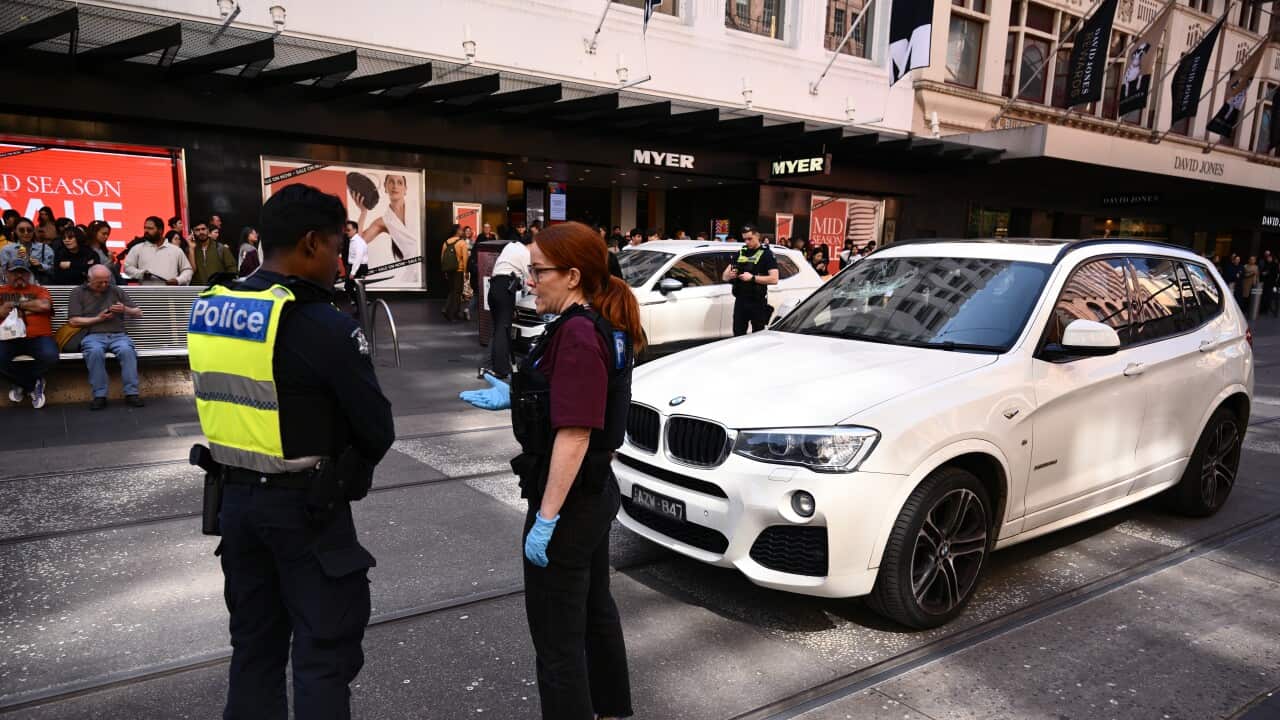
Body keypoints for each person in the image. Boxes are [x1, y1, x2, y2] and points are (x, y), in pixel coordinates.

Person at [188, 184, 394, 720]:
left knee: (254, 651)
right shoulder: (322, 323)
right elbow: (377, 428)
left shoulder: (212, 306)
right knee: (323, 658)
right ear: (309, 244)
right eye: (335, 248)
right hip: (307, 511)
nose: (338, 261)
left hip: (234, 505)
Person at [460, 221, 639, 720]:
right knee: (593, 611)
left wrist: (547, 518)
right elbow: (564, 398)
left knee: (557, 639)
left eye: (538, 271)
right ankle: (611, 710)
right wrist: (514, 397)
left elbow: (576, 433)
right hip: (590, 494)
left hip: (569, 502)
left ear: (574, 275)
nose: (530, 281)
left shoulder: (579, 333)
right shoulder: (588, 323)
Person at [66, 265, 144, 409]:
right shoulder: (78, 292)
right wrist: (98, 319)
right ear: (89, 279)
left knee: (127, 351)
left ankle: (132, 394)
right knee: (94, 352)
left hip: (118, 335)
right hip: (93, 335)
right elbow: (73, 321)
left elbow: (138, 312)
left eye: (106, 282)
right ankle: (99, 395)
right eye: (99, 282)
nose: (104, 285)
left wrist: (125, 309)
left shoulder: (115, 290)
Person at [0, 258, 54, 409]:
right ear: (6, 274)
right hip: (7, 337)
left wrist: (15, 305)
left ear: (29, 275)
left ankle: (19, 383)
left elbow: (44, 305)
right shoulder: (1, 291)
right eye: (15, 273)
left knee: (50, 355)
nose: (19, 276)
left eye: (23, 273)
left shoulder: (39, 290)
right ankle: (31, 384)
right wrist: (29, 307)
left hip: (38, 337)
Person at [483, 231, 531, 379]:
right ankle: (501, 369)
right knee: (504, 330)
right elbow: (529, 277)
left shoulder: (510, 246)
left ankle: (497, 364)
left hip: (494, 288)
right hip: (505, 289)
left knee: (498, 328)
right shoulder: (525, 253)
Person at [723, 224, 778, 336]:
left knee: (758, 336)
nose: (747, 242)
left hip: (757, 302)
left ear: (757, 236)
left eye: (750, 239)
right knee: (738, 334)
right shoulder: (741, 252)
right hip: (740, 301)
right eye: (744, 239)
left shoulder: (767, 254)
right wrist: (731, 275)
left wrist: (752, 278)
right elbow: (724, 276)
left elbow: (774, 279)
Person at [124, 216, 193, 285]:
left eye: (150, 228)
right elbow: (127, 267)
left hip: (169, 294)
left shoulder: (176, 250)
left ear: (160, 230)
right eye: (145, 228)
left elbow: (187, 270)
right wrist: (141, 274)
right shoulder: (137, 248)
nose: (146, 231)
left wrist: (178, 280)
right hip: (146, 294)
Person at [0, 218, 54, 285]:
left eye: (29, 230)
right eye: (21, 230)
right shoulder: (7, 250)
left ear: (33, 231)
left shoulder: (44, 248)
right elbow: (3, 273)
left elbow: (53, 271)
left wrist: (40, 265)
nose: (26, 233)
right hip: (15, 288)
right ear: (15, 231)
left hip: (39, 288)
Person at [191, 219, 237, 285]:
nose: (201, 232)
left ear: (208, 230)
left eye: (203, 229)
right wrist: (190, 249)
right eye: (197, 230)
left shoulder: (221, 248)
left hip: (218, 290)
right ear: (193, 232)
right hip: (197, 291)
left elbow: (232, 270)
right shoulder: (191, 250)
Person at [440, 225, 469, 322]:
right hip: (458, 270)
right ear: (457, 231)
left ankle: (449, 310)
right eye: (461, 229)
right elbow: (465, 258)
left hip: (449, 270)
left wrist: (444, 271)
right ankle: (451, 314)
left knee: (452, 291)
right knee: (457, 292)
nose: (462, 231)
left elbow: (442, 258)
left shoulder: (446, 242)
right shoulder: (462, 243)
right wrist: (466, 271)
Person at [343, 221, 368, 310]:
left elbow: (358, 258)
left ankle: (361, 305)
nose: (347, 232)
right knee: (350, 287)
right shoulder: (352, 241)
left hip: (359, 268)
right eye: (346, 230)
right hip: (354, 266)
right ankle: (360, 305)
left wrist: (353, 272)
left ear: (355, 230)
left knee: (350, 287)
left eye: (348, 230)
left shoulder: (358, 242)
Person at [1261, 250, 1278, 316]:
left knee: (1272, 297)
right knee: (1265, 296)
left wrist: (1268, 273)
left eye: (1270, 258)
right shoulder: (1266, 264)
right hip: (1266, 283)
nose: (1268, 259)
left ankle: (1274, 311)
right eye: (1268, 258)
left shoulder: (1275, 265)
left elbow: (1275, 274)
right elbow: (1263, 271)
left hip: (1273, 284)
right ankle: (1265, 309)